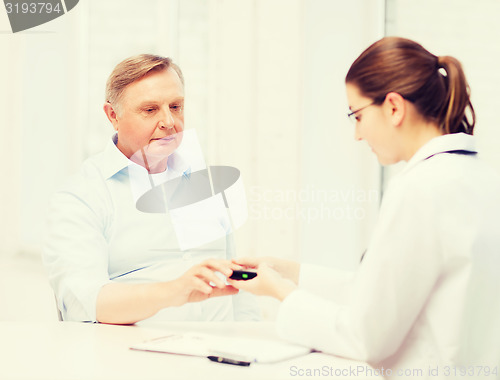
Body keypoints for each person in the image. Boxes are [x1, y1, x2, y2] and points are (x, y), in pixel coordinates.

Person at [228, 37, 500, 377]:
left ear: (393, 107)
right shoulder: (483, 179)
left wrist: (280, 292)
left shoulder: (419, 190)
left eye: (356, 116)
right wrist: (289, 272)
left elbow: (366, 337)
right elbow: (389, 294)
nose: (357, 135)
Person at [43, 54, 259, 324]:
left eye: (176, 106)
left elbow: (238, 290)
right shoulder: (81, 197)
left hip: (222, 355)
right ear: (113, 115)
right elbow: (85, 305)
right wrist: (174, 290)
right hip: (134, 360)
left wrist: (252, 341)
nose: (169, 121)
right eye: (150, 110)